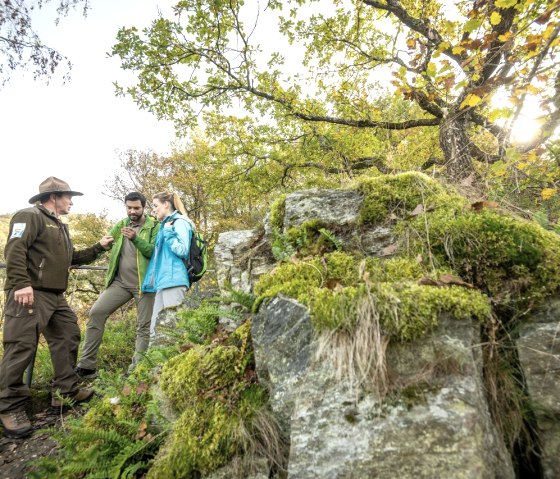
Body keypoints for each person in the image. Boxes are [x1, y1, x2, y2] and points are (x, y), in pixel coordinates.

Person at [0, 177, 114, 439]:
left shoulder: (58, 226)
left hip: (55, 296)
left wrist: (99, 247)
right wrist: (20, 284)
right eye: (68, 197)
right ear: (54, 196)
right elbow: (15, 249)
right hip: (30, 293)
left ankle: (65, 391)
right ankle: (10, 406)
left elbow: (70, 258)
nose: (72, 202)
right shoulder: (29, 216)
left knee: (68, 333)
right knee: (21, 346)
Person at [75, 192, 160, 379]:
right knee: (96, 312)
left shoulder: (154, 226)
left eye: (136, 208)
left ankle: (137, 370)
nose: (132, 211)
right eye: (129, 207)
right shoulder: (121, 224)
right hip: (120, 283)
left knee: (143, 326)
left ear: (143, 207)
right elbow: (106, 243)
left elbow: (154, 253)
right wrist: (86, 255)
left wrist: (135, 239)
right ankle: (86, 365)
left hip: (144, 285)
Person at [142, 192, 193, 343]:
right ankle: (152, 366)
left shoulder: (180, 222)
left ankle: (176, 365)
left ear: (166, 204)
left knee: (174, 329)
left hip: (175, 280)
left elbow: (183, 250)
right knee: (155, 330)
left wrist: (169, 233)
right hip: (162, 282)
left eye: (156, 206)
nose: (154, 210)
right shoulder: (165, 225)